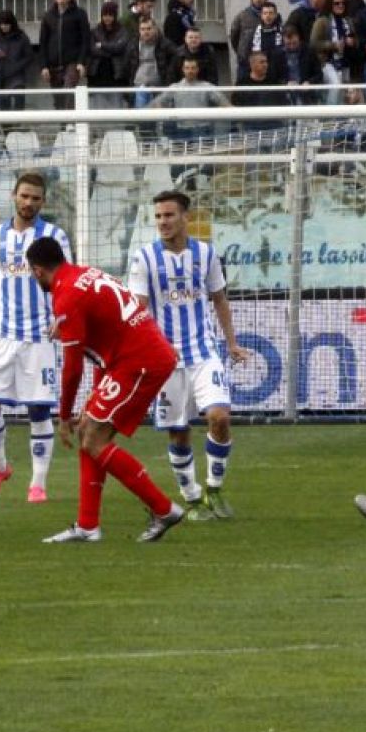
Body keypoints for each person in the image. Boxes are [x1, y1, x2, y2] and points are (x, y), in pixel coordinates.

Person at [25, 237, 187, 545]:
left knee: (95, 440)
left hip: (139, 362)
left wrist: (63, 416)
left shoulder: (66, 297)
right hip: (134, 357)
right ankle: (87, 526)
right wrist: (94, 398)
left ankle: (163, 509)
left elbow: (72, 368)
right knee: (89, 429)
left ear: (37, 271)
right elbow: (107, 331)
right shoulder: (85, 274)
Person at [127, 190, 253, 521]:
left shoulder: (206, 254)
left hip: (204, 352)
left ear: (186, 217)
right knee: (179, 431)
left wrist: (232, 343)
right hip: (165, 359)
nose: (162, 222)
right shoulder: (144, 258)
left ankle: (214, 488)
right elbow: (138, 310)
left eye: (169, 215)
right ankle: (192, 498)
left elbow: (219, 299)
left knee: (220, 417)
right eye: (158, 216)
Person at [0, 172, 71, 505]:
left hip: (40, 336)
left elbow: (66, 281)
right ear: (14, 196)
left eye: (35, 198)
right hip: (1, 335)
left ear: (43, 201)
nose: (28, 202)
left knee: (39, 409)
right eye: (24, 196)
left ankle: (37, 483)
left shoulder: (54, 236)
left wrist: (63, 319)